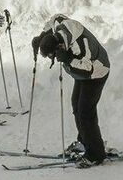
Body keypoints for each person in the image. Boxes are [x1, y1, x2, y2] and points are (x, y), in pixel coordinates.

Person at [32, 16, 111, 165]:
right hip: (81, 75)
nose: (55, 59)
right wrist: (42, 37)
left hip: (96, 73)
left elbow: (88, 68)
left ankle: (96, 154)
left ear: (60, 46)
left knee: (85, 112)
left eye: (54, 55)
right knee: (76, 106)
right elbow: (55, 18)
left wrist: (68, 59)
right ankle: (85, 142)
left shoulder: (81, 44)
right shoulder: (59, 29)